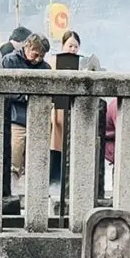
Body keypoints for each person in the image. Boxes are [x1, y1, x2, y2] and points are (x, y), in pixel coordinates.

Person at [1, 33, 50, 188]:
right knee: (15, 157)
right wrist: (26, 97)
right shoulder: (10, 61)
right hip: (15, 117)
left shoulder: (45, 68)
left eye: (42, 56)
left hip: (37, 118)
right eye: (36, 54)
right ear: (27, 46)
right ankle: (13, 189)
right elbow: (6, 88)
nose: (38, 59)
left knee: (35, 161)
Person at [50, 31, 82, 181]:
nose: (73, 49)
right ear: (63, 45)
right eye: (70, 45)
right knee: (55, 146)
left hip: (74, 110)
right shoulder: (53, 63)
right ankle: (54, 180)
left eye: (75, 46)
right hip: (56, 111)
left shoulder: (81, 65)